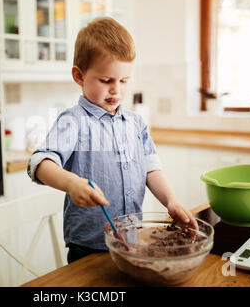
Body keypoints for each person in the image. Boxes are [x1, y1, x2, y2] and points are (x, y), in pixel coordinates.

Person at [27, 17, 198, 264]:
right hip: (88, 247)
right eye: (106, 81)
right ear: (79, 75)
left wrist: (171, 201)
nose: (116, 90)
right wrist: (71, 183)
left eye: (124, 80)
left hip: (130, 241)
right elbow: (39, 162)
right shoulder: (73, 121)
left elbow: (151, 168)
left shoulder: (136, 124)